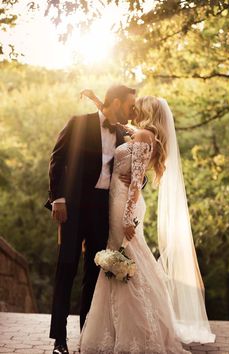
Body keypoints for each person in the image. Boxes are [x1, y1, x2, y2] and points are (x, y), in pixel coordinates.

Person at [78, 94, 216, 353]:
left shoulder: (142, 136)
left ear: (146, 111)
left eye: (136, 107)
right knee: (128, 257)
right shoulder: (142, 133)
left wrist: (129, 216)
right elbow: (121, 127)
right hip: (118, 199)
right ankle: (119, 327)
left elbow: (136, 181)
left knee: (129, 256)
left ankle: (139, 332)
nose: (132, 109)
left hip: (124, 203)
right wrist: (99, 102)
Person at [45, 85, 144, 354]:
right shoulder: (79, 123)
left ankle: (85, 337)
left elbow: (139, 171)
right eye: (128, 105)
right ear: (114, 102)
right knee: (66, 268)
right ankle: (59, 340)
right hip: (73, 207)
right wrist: (59, 199)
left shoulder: (125, 134)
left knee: (94, 274)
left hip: (103, 210)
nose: (131, 111)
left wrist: (137, 181)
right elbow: (57, 159)